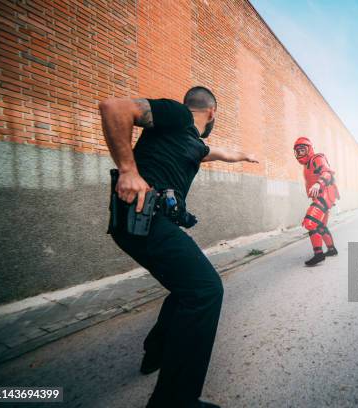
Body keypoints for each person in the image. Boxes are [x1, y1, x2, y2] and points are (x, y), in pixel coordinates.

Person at [99, 86, 258, 408]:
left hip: (148, 224)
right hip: (144, 218)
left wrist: (242, 155)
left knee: (188, 287)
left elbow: (218, 153)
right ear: (211, 113)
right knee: (205, 290)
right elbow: (114, 108)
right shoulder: (178, 114)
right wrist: (128, 171)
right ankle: (175, 401)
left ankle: (155, 351)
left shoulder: (193, 144)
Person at [293, 137, 340, 266]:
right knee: (320, 226)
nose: (300, 153)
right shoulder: (307, 164)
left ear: (309, 149)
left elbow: (327, 173)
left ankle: (318, 254)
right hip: (321, 195)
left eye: (303, 149)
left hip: (325, 194)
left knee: (310, 223)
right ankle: (331, 250)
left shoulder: (317, 158)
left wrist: (318, 184)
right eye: (298, 151)